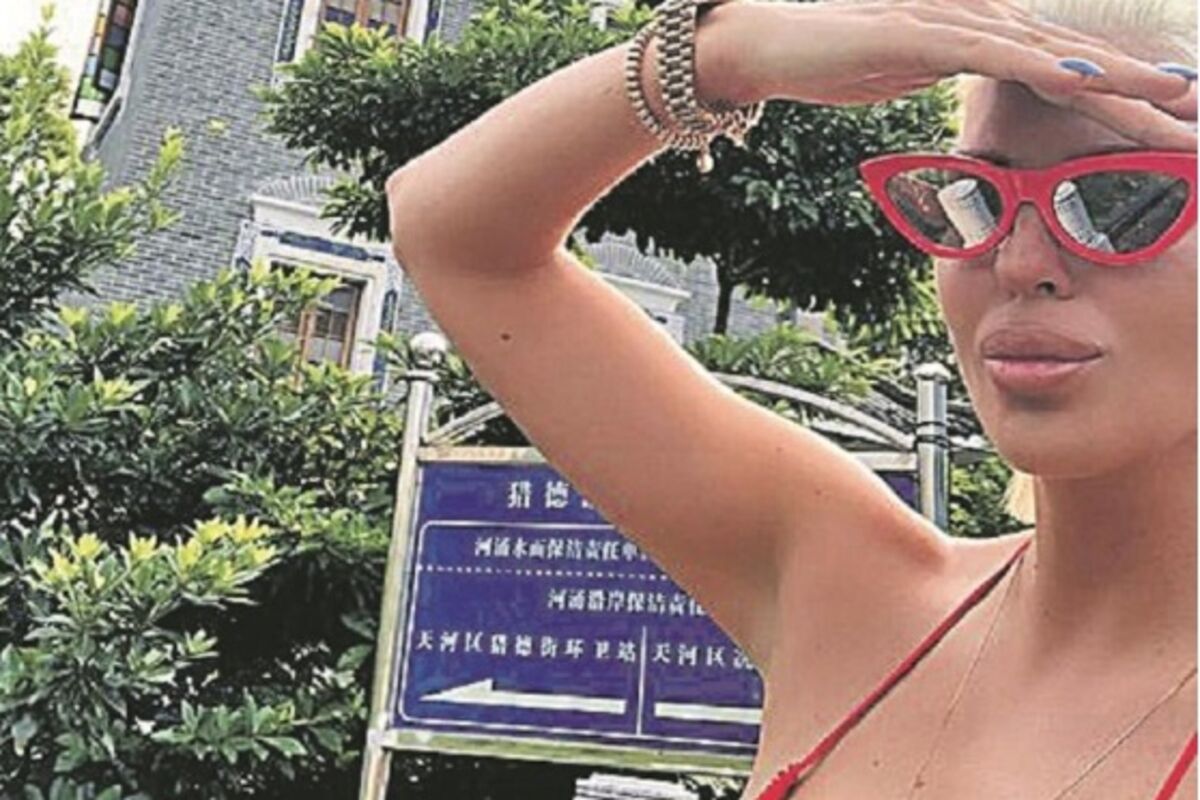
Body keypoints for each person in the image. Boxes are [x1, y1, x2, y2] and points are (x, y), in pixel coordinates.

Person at [383, 0, 1198, 795]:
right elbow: (455, 237)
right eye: (973, 197)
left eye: (1121, 201)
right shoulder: (859, 595)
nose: (1020, 264)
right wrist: (722, 52)